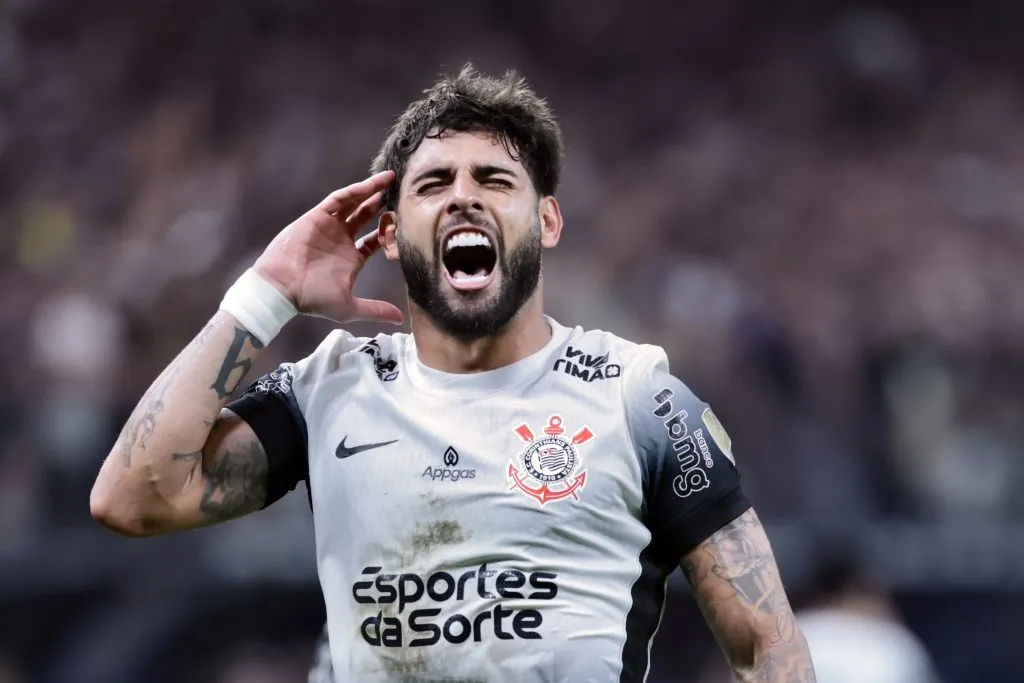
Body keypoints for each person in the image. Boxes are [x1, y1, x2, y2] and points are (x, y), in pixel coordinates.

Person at [90, 64, 816, 683]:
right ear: (390, 233)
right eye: (434, 182)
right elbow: (132, 497)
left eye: (495, 179)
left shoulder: (637, 399)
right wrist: (267, 293)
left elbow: (767, 646)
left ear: (547, 222)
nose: (464, 195)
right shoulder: (330, 388)